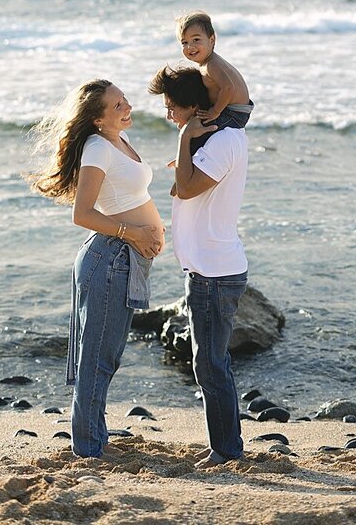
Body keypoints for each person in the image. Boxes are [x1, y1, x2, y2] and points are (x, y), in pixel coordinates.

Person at [30, 79, 165, 458]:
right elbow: (82, 214)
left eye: (124, 100)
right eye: (117, 105)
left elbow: (129, 194)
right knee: (97, 356)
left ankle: (94, 437)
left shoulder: (117, 141)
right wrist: (134, 232)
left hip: (122, 258)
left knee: (107, 355)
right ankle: (88, 448)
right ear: (97, 118)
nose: (127, 107)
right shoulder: (96, 147)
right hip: (109, 258)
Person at [148, 65, 249, 468]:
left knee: (210, 365)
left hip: (215, 273)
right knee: (209, 363)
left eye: (173, 108)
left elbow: (187, 188)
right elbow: (184, 187)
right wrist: (188, 142)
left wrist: (184, 137)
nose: (168, 114)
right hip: (207, 270)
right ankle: (226, 445)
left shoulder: (223, 141)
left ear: (194, 108)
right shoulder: (213, 140)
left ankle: (226, 450)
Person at [177, 10, 253, 153]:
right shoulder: (208, 63)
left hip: (234, 113)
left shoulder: (212, 65)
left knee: (200, 132)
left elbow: (228, 88)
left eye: (196, 40)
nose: (190, 47)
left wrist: (215, 112)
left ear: (212, 40)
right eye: (184, 42)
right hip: (233, 109)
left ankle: (189, 160)